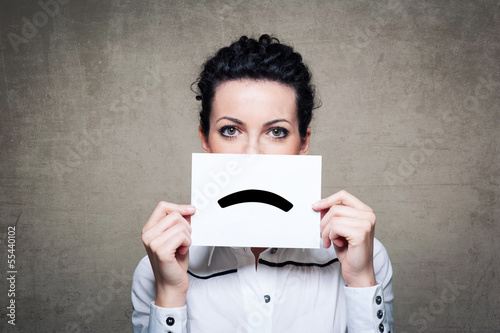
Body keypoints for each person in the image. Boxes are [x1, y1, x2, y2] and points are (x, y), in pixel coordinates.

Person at [131, 34, 394, 333]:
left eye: (277, 132)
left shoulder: (365, 256)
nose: (252, 153)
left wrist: (360, 280)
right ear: (205, 139)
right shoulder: (157, 268)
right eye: (230, 130)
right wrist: (169, 293)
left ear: (303, 141)